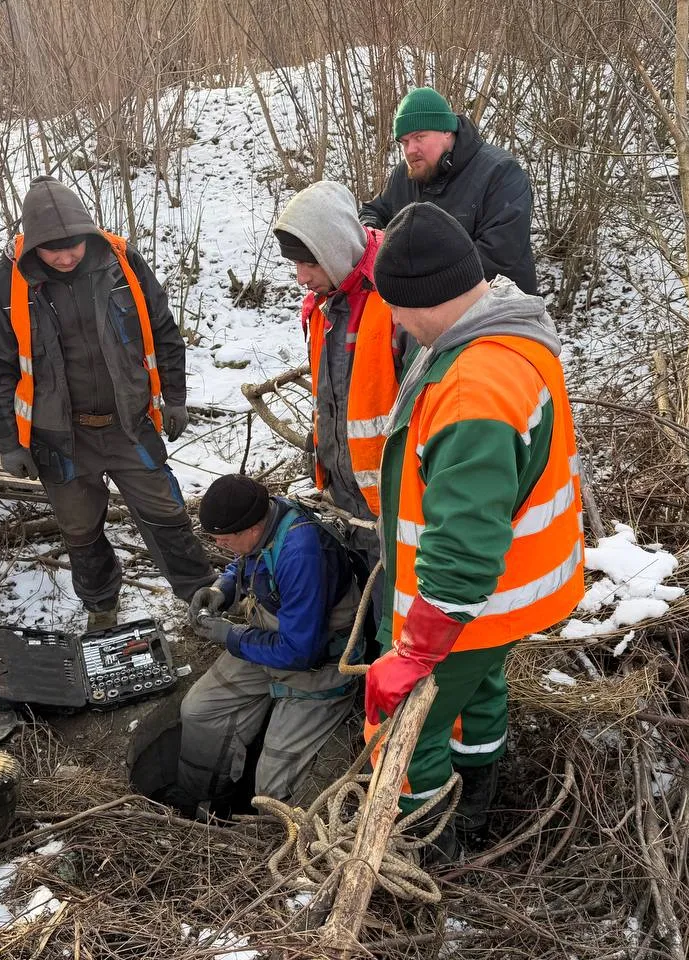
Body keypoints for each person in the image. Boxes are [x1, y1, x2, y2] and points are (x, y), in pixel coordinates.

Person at [365, 202, 585, 858]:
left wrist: (415, 654)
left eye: (397, 307)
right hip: (504, 602)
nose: (396, 322)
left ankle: (427, 855)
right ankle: (477, 812)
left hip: (467, 607)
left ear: (424, 298)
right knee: (479, 696)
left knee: (408, 731)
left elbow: (464, 543)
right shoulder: (505, 331)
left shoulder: (474, 388)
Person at [0, 175, 215, 629]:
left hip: (129, 423)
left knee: (165, 512)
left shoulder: (121, 265)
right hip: (58, 437)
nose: (66, 257)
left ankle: (201, 594)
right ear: (32, 247)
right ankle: (102, 608)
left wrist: (176, 398)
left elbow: (164, 331)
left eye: (74, 247)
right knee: (81, 530)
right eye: (53, 250)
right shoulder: (3, 285)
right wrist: (9, 442)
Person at [175, 474, 361, 812]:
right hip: (270, 641)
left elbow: (302, 652)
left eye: (224, 539)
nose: (219, 546)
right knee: (199, 711)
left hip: (318, 666)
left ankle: (269, 840)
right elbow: (247, 560)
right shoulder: (266, 519)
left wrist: (232, 637)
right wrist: (223, 587)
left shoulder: (301, 553)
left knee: (271, 795)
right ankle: (199, 802)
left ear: (250, 529)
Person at [272, 180, 415, 573]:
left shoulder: (397, 297)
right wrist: (321, 442)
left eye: (309, 263)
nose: (301, 277)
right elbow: (331, 391)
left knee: (395, 602)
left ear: (335, 249)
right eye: (295, 265)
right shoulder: (323, 305)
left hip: (395, 498)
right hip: (346, 495)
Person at [359, 86, 538, 296]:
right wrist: (370, 238)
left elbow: (499, 257)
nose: (410, 150)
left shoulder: (501, 173)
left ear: (446, 131)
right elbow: (373, 211)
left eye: (419, 137)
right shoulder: (405, 175)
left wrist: (417, 276)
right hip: (424, 314)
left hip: (497, 311)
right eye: (404, 142)